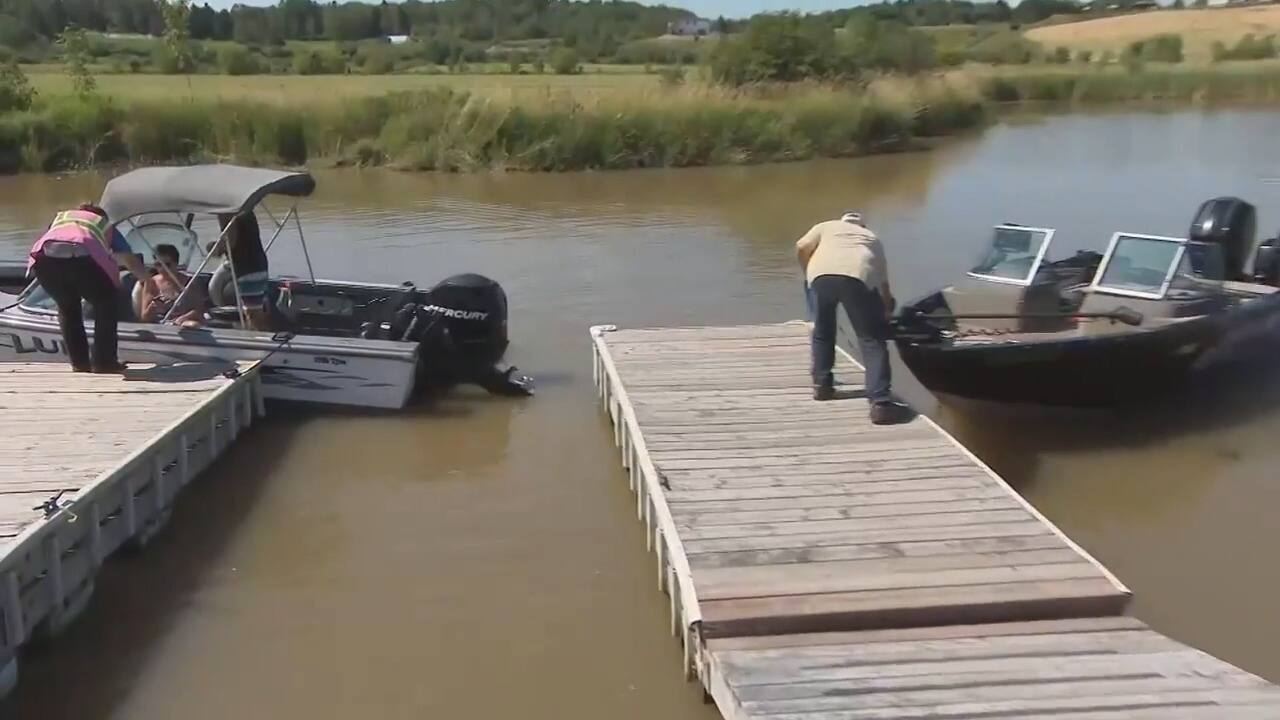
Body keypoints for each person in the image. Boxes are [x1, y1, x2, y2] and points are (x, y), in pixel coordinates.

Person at [796, 211, 912, 425]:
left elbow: (802, 247)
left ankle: (822, 386)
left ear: (842, 221)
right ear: (862, 226)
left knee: (822, 331)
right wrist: (886, 310)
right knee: (871, 340)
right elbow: (883, 282)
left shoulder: (825, 226)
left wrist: (808, 272)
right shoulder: (871, 238)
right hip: (858, 276)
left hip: (820, 276)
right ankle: (880, 403)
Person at [27, 203, 153, 373]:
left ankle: (79, 363)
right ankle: (104, 362)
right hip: (82, 257)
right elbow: (128, 259)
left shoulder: (62, 218)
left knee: (67, 307)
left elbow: (54, 241)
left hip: (44, 261)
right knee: (106, 304)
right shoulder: (103, 224)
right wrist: (148, 281)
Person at [215, 212, 270, 331]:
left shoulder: (225, 209)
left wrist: (217, 249)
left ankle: (259, 342)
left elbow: (230, 240)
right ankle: (260, 336)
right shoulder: (245, 207)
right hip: (258, 262)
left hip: (246, 266)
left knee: (253, 314)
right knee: (258, 309)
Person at [140, 243, 205, 326]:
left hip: (185, 324)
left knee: (193, 325)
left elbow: (200, 310)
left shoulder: (190, 282)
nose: (162, 269)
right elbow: (144, 317)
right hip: (160, 325)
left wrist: (183, 318)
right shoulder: (152, 283)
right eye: (158, 265)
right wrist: (152, 308)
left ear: (176, 264)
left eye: (167, 265)